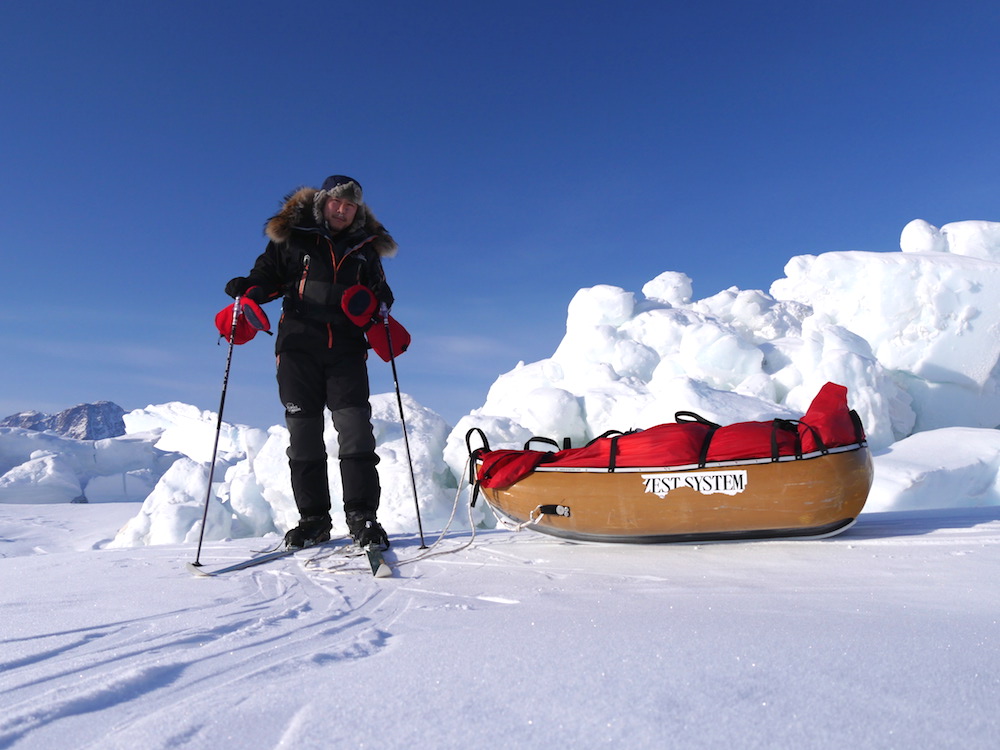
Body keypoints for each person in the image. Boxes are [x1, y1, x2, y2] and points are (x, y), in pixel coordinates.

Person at [224, 175, 395, 550]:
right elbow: (267, 277)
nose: (342, 210)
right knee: (303, 436)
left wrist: (374, 304)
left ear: (357, 210)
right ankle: (314, 520)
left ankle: (363, 516)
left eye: (350, 206)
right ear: (322, 202)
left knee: (355, 432)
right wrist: (249, 291)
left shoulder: (365, 248)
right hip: (298, 349)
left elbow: (382, 296)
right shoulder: (296, 236)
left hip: (347, 351)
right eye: (336, 202)